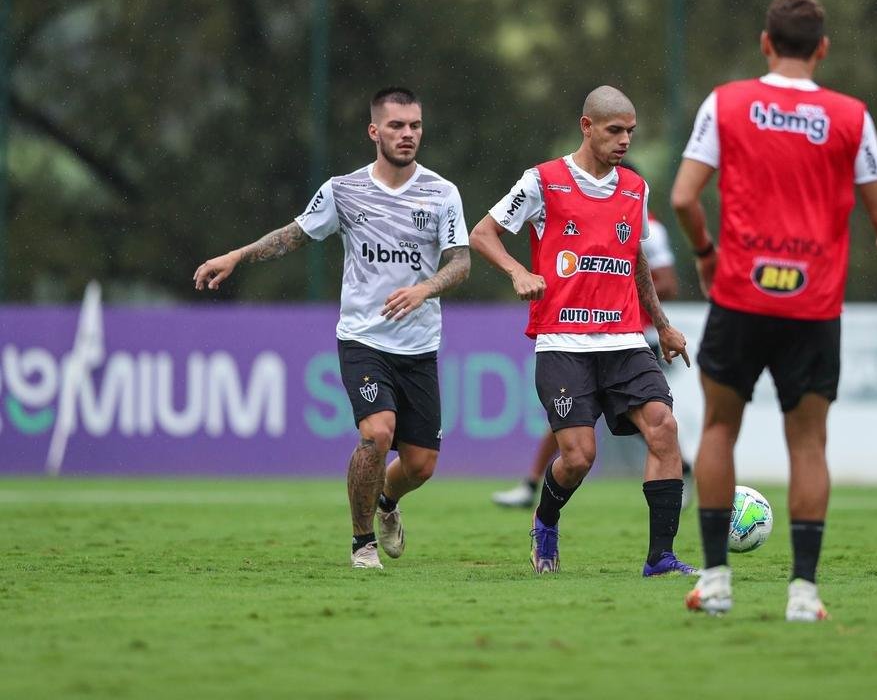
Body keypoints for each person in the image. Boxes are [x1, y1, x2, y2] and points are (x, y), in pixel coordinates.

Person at [671, 0, 877, 621]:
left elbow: (684, 198)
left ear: (766, 44)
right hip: (813, 305)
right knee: (808, 445)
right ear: (823, 49)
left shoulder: (727, 103)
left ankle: (716, 582)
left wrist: (704, 253)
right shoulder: (850, 116)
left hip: (741, 295)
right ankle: (803, 595)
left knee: (721, 428)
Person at [193, 87, 471, 568]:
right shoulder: (343, 190)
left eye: (415, 126)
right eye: (396, 125)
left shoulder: (442, 193)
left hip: (420, 344)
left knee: (421, 465)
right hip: (363, 339)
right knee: (377, 434)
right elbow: (294, 235)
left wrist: (425, 289)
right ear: (374, 131)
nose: (407, 134)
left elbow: (461, 262)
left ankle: (386, 502)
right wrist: (237, 256)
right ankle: (362, 543)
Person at [469, 85, 697, 577]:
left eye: (631, 132)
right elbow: (482, 233)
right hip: (563, 344)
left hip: (624, 341)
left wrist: (663, 324)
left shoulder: (635, 189)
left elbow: (636, 260)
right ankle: (546, 520)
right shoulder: (543, 181)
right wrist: (517, 271)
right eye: (615, 130)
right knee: (578, 457)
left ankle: (660, 557)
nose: (624, 141)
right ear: (586, 126)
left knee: (664, 429)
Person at [490, 164, 695, 510]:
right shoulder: (548, 187)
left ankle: (676, 492)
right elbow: (484, 233)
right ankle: (534, 491)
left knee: (659, 424)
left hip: (633, 337)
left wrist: (631, 299)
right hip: (572, 339)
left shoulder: (652, 227)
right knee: (573, 438)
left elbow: (665, 281)